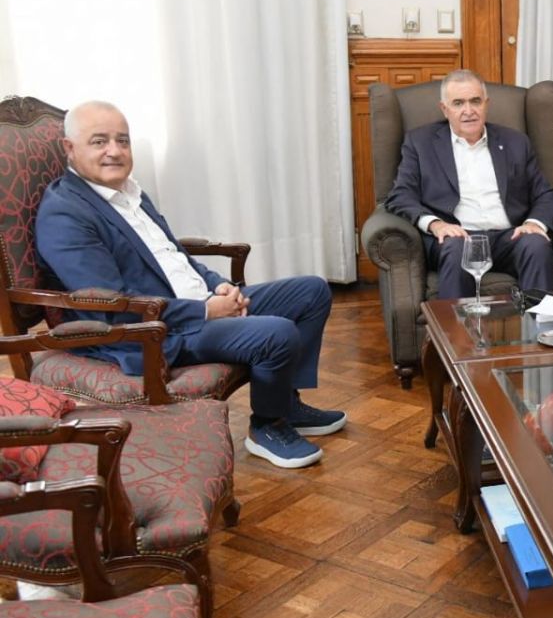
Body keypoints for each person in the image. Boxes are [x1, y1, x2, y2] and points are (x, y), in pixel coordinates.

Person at [36, 101, 345, 470]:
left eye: (123, 140)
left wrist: (219, 286)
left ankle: (286, 404)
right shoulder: (65, 213)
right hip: (153, 331)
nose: (114, 151)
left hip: (193, 304)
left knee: (312, 291)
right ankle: (268, 426)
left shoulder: (130, 193)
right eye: (99, 141)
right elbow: (111, 306)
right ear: (70, 148)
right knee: (276, 334)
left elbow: (174, 258)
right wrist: (205, 311)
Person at [384, 69, 553, 298]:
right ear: (444, 109)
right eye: (458, 103)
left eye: (475, 101)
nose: (468, 111)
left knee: (536, 244)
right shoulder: (420, 142)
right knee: (457, 247)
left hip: (509, 237)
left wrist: (533, 224)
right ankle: (455, 323)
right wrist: (436, 224)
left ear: (486, 104)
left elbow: (546, 194)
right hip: (458, 238)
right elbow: (400, 195)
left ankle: (540, 321)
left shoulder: (515, 141)